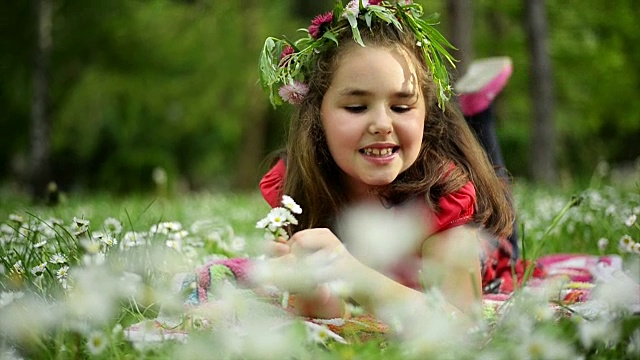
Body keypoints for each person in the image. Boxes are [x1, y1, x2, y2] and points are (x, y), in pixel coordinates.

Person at [255, 0, 519, 322]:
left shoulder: (444, 197)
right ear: (316, 116)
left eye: (402, 107)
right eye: (356, 107)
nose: (382, 123)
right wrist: (309, 286)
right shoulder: (296, 185)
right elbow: (331, 313)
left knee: (495, 190)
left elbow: (462, 324)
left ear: (427, 114)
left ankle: (479, 114)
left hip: (487, 249)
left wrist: (351, 271)